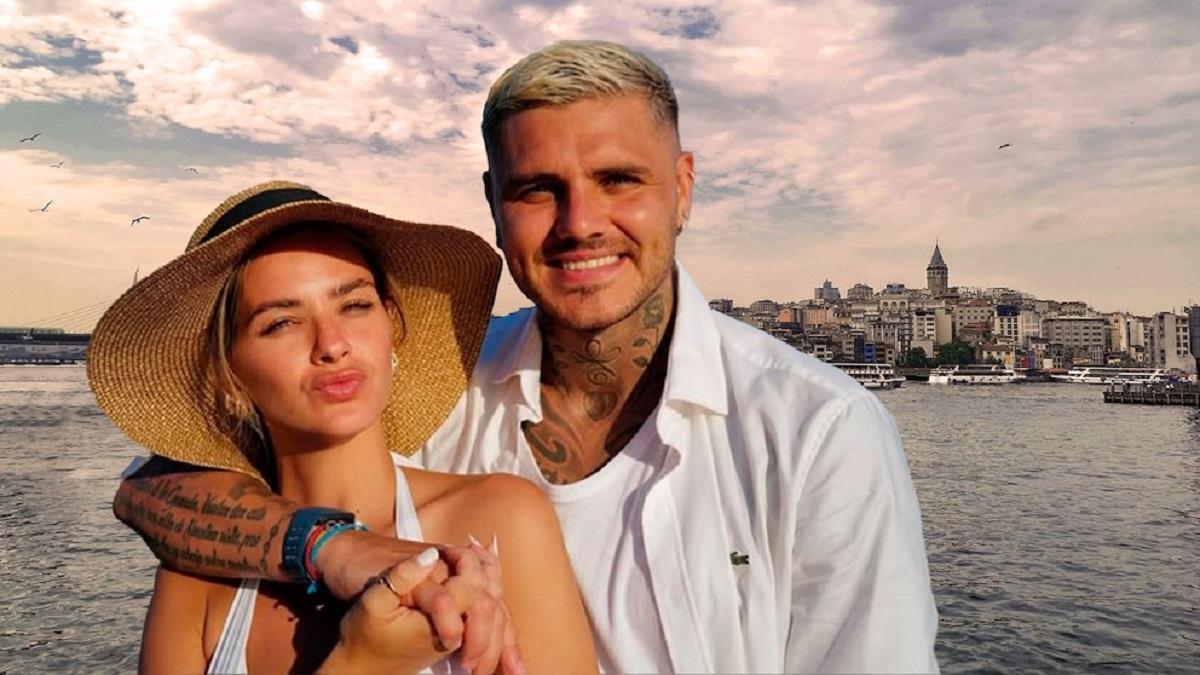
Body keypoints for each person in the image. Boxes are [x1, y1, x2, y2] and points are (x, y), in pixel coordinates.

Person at [114, 41, 939, 672]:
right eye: (537, 188)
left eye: (619, 179)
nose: (580, 223)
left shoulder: (819, 433)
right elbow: (155, 487)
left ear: (683, 188)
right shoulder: (440, 391)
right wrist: (333, 546)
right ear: (494, 205)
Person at [90, 182, 595, 674]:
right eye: (280, 323)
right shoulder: (196, 579)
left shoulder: (498, 519)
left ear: (391, 325)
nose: (332, 344)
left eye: (354, 305)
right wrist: (365, 662)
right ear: (229, 375)